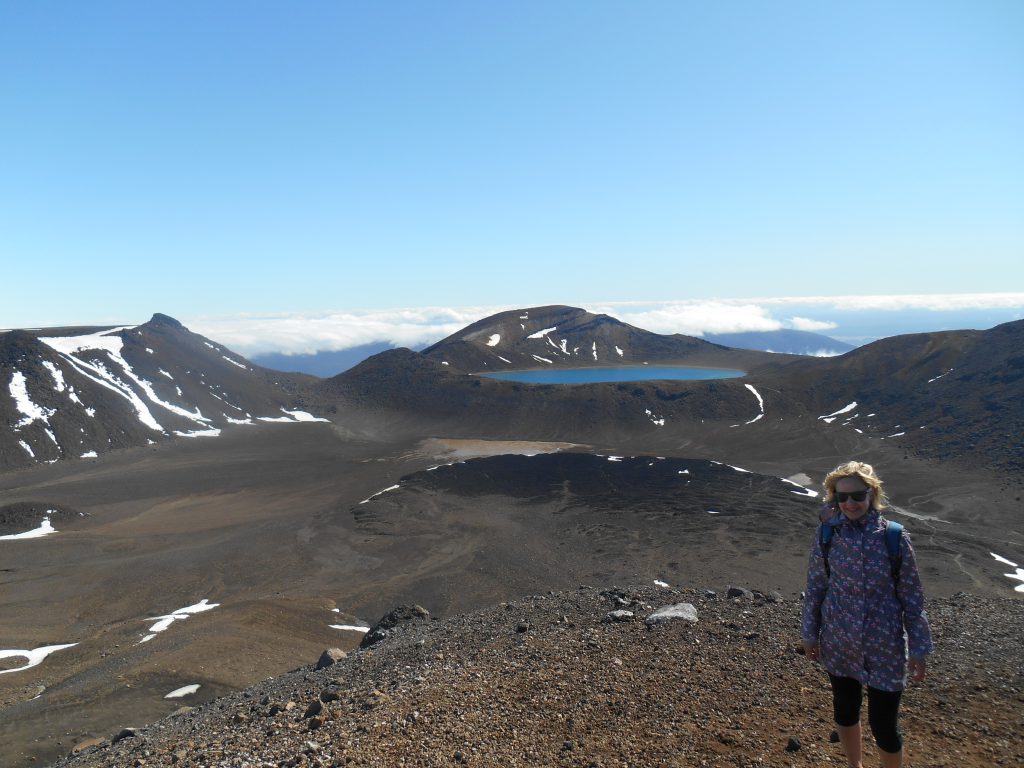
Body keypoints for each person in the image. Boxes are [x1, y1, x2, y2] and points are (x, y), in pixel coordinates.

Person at [801, 461, 933, 768]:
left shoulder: (894, 538)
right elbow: (816, 587)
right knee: (844, 710)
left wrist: (919, 649)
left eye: (857, 496)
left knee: (884, 725)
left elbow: (912, 598)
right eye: (840, 497)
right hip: (839, 641)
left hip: (884, 646)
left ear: (872, 494)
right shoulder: (826, 536)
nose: (849, 503)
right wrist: (810, 633)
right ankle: (854, 765)